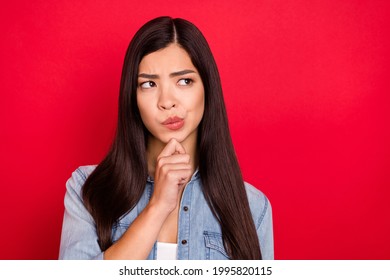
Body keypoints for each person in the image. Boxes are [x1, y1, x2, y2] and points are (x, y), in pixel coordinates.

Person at [59, 16, 273, 260]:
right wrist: (157, 207)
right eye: (149, 84)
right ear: (133, 97)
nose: (167, 101)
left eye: (184, 81)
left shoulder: (253, 207)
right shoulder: (87, 189)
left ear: (207, 88)